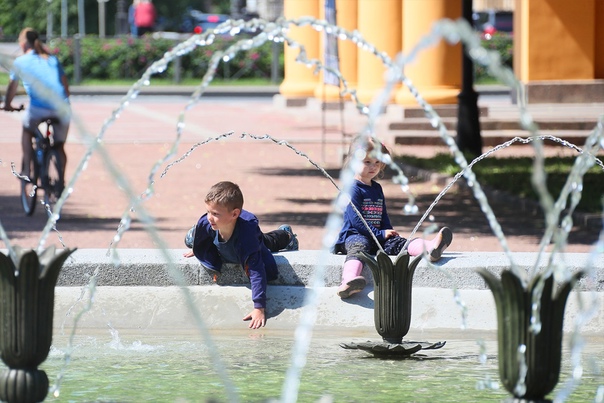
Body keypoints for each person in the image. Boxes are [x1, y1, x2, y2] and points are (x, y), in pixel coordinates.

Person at [333, 136, 453, 299]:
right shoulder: (352, 188)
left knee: (399, 243)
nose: (373, 167)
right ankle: (349, 281)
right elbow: (357, 221)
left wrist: (388, 231)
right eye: (367, 162)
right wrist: (380, 234)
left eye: (377, 162)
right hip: (355, 235)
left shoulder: (376, 188)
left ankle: (431, 249)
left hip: (377, 236)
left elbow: (382, 215)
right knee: (358, 247)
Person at [183, 181, 299, 329]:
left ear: (235, 214)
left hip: (251, 239)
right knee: (190, 239)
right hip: (226, 241)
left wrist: (259, 307)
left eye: (215, 214)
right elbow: (202, 237)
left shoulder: (247, 237)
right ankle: (195, 237)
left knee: (268, 242)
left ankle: (287, 236)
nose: (209, 217)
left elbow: (257, 271)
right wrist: (199, 248)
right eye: (208, 212)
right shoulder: (208, 223)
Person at [2, 28, 70, 188]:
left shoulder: (20, 61)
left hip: (38, 108)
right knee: (59, 146)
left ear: (24, 44)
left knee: (27, 131)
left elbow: (12, 88)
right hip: (62, 108)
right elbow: (66, 89)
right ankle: (61, 182)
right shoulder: (52, 59)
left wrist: (7, 105)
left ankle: (26, 171)